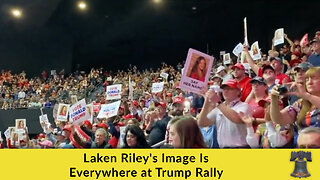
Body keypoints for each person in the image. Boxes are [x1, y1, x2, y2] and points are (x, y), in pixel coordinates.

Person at [198, 79, 251, 148]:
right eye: (224, 89)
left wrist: (217, 102)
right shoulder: (220, 107)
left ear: (238, 92)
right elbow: (202, 123)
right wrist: (206, 102)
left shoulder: (244, 106)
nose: (225, 91)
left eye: (229, 89)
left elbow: (237, 118)